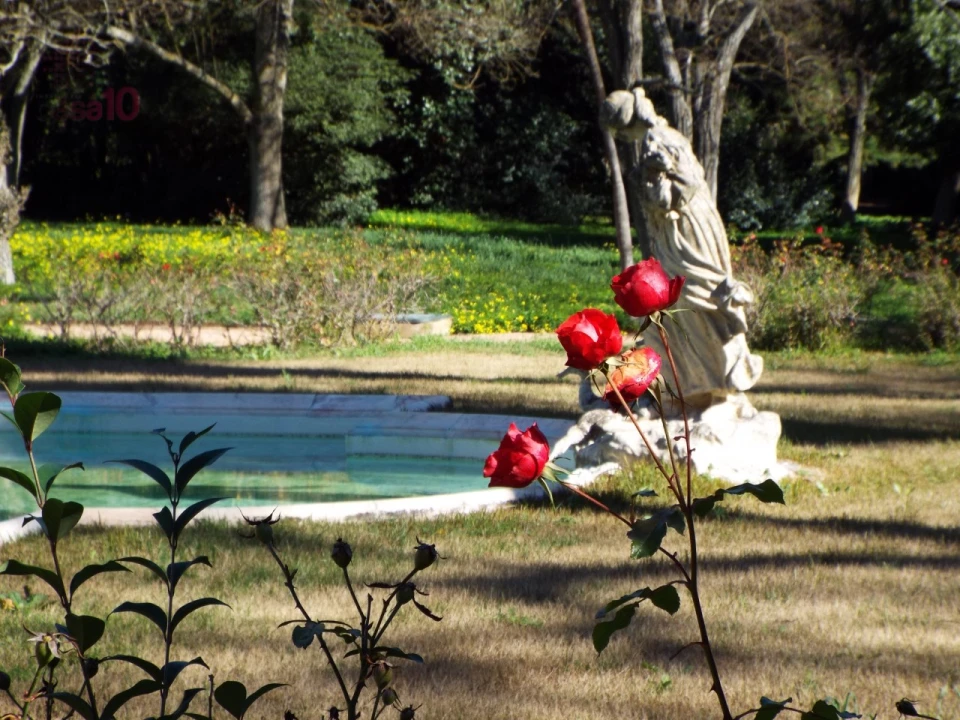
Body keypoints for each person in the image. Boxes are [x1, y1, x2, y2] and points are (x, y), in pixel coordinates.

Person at [601, 88, 763, 409]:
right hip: (699, 221)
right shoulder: (669, 134)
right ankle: (706, 385)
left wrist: (649, 184)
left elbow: (669, 197)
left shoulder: (653, 141)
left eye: (620, 133)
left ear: (626, 126)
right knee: (697, 301)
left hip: (681, 231)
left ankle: (705, 385)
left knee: (689, 301)